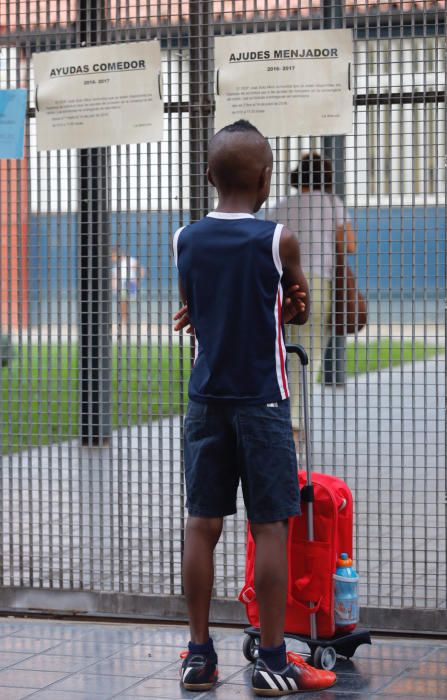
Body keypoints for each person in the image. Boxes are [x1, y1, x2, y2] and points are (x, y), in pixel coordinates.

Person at [172, 121, 336, 696]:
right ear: (266, 178)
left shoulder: (184, 238)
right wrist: (294, 306)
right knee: (270, 528)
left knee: (202, 523)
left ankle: (198, 656)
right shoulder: (277, 238)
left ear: (210, 177)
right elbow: (296, 306)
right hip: (263, 401)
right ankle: (272, 660)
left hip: (205, 400)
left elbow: (197, 309)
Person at [269, 153, 356, 448]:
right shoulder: (332, 204)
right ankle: (293, 427)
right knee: (309, 356)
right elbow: (349, 245)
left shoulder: (281, 207)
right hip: (318, 284)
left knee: (283, 353)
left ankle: (279, 417)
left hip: (281, 286)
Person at [111, 247, 145, 325]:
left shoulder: (129, 260)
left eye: (113, 256)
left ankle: (129, 321)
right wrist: (114, 286)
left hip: (130, 284)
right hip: (121, 286)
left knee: (128, 302)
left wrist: (137, 280)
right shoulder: (115, 265)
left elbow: (141, 269)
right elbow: (114, 277)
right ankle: (125, 321)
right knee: (123, 304)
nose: (112, 258)